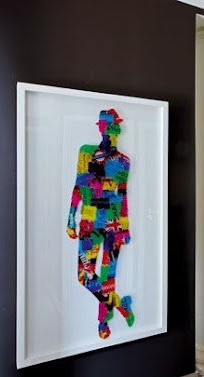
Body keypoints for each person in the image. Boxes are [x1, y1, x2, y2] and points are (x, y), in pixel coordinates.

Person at [67, 109, 134, 339]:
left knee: (108, 276)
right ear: (101, 128)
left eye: (114, 128)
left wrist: (125, 227)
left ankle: (103, 323)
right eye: (107, 127)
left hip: (113, 224)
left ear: (117, 130)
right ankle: (117, 304)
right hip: (89, 222)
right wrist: (70, 217)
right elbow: (78, 187)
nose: (110, 133)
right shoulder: (86, 153)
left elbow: (122, 195)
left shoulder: (124, 162)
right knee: (84, 275)